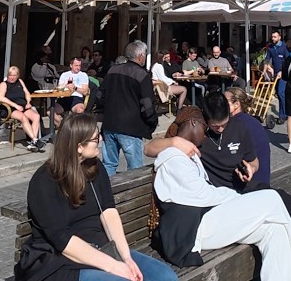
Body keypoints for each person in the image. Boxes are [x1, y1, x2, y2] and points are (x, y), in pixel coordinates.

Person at [145, 91, 291, 275]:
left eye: (223, 125)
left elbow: (253, 161)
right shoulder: (176, 156)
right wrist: (175, 142)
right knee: (272, 199)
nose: (218, 130)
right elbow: (202, 194)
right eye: (211, 126)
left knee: (275, 229)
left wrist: (251, 168)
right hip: (198, 225)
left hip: (220, 208)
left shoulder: (230, 132)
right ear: (198, 122)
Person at [15, 113, 176, 281]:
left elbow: (108, 212)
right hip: (60, 261)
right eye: (95, 138)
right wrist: (114, 266)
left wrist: (126, 257)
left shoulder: (95, 167)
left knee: (165, 277)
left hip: (102, 250)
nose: (100, 139)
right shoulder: (44, 182)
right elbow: (62, 240)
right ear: (78, 146)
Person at [99, 41, 157, 175]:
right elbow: (147, 104)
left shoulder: (113, 70)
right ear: (140, 56)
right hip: (130, 127)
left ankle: (107, 193)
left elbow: (100, 96)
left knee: (109, 164)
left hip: (110, 124)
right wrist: (152, 122)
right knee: (135, 169)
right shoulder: (142, 75)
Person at [0, 66, 45, 152]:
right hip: (10, 108)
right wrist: (15, 106)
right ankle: (35, 139)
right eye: (10, 75)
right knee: (23, 117)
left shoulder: (20, 82)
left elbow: (27, 93)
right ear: (8, 75)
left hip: (23, 106)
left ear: (18, 75)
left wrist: (28, 102)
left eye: (14, 75)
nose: (12, 77)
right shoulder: (3, 84)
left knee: (36, 116)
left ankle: (33, 142)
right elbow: (1, 98)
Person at [56, 57, 92, 124]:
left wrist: (75, 88)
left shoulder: (83, 75)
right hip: (64, 97)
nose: (78, 67)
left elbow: (85, 92)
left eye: (79, 65)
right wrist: (66, 85)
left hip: (76, 98)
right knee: (50, 112)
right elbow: (59, 88)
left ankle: (76, 131)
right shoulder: (64, 75)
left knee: (80, 111)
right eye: (76, 65)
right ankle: (62, 126)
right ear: (71, 65)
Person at [265, 31, 289, 122]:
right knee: (279, 94)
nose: (273, 38)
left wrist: (282, 71)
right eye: (272, 37)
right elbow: (267, 58)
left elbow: (288, 60)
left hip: (284, 73)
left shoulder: (284, 47)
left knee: (280, 92)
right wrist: (265, 69)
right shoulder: (271, 47)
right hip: (275, 73)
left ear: (279, 37)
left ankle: (283, 115)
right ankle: (285, 112)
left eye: (275, 37)